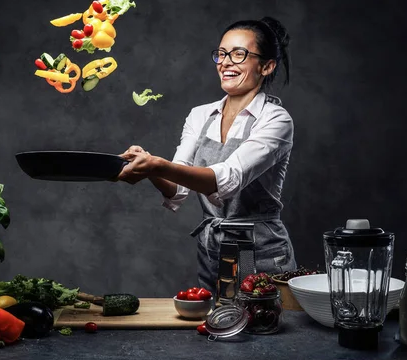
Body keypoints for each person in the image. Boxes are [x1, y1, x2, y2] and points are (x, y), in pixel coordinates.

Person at [117, 16, 297, 295]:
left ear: (267, 65)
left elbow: (228, 178)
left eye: (239, 54)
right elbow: (177, 187)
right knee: (217, 325)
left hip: (261, 253)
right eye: (222, 54)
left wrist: (158, 165)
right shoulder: (201, 115)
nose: (225, 62)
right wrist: (151, 168)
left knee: (265, 327)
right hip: (214, 250)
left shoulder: (275, 119)